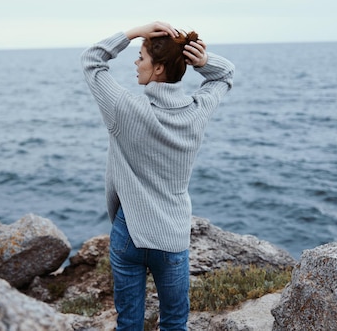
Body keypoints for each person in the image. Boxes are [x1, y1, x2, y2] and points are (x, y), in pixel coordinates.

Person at [81, 21, 235, 330]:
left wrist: (135, 31)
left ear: (159, 69)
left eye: (141, 57)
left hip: (130, 233)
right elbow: (225, 75)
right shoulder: (197, 110)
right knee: (175, 324)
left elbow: (92, 60)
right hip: (173, 236)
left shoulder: (124, 107)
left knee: (129, 324)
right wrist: (202, 62)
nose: (136, 64)